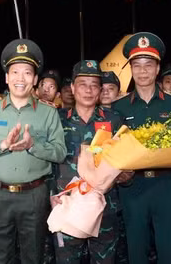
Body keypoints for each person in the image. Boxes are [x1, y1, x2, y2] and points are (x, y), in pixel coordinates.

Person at [0, 39, 65, 264]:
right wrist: (2, 145)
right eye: (14, 72)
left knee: (33, 255)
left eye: (27, 73)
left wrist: (33, 146)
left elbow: (60, 152)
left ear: (34, 79)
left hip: (34, 195)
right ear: (6, 77)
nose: (20, 79)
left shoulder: (48, 113)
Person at [111, 32, 171, 263]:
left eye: (149, 65)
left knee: (168, 250)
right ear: (131, 70)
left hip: (167, 186)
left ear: (157, 69)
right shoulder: (119, 107)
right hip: (132, 187)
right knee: (136, 251)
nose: (143, 71)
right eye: (137, 65)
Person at [53, 60, 121, 263]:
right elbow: (48, 162)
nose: (89, 90)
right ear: (72, 88)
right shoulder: (57, 119)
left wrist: (125, 174)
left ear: (100, 90)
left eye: (94, 85)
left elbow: (124, 160)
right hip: (66, 204)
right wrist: (51, 194)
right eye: (83, 84)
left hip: (104, 207)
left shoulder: (114, 120)